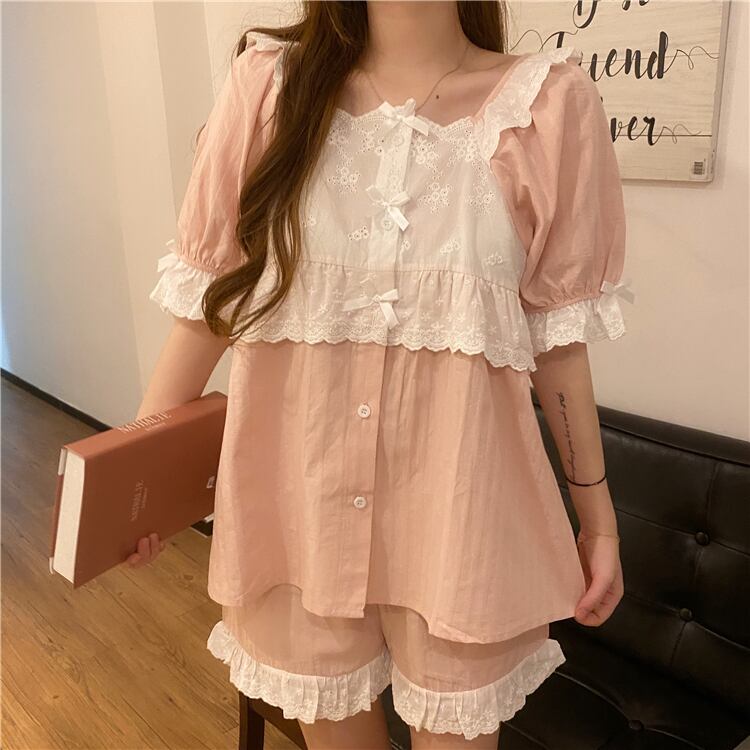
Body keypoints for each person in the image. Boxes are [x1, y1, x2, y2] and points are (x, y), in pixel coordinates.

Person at [130, 1, 631, 747]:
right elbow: (206, 307)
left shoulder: (549, 106)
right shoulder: (266, 91)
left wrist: (597, 518)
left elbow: (558, 344)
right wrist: (133, 481)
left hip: (462, 521)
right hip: (296, 516)